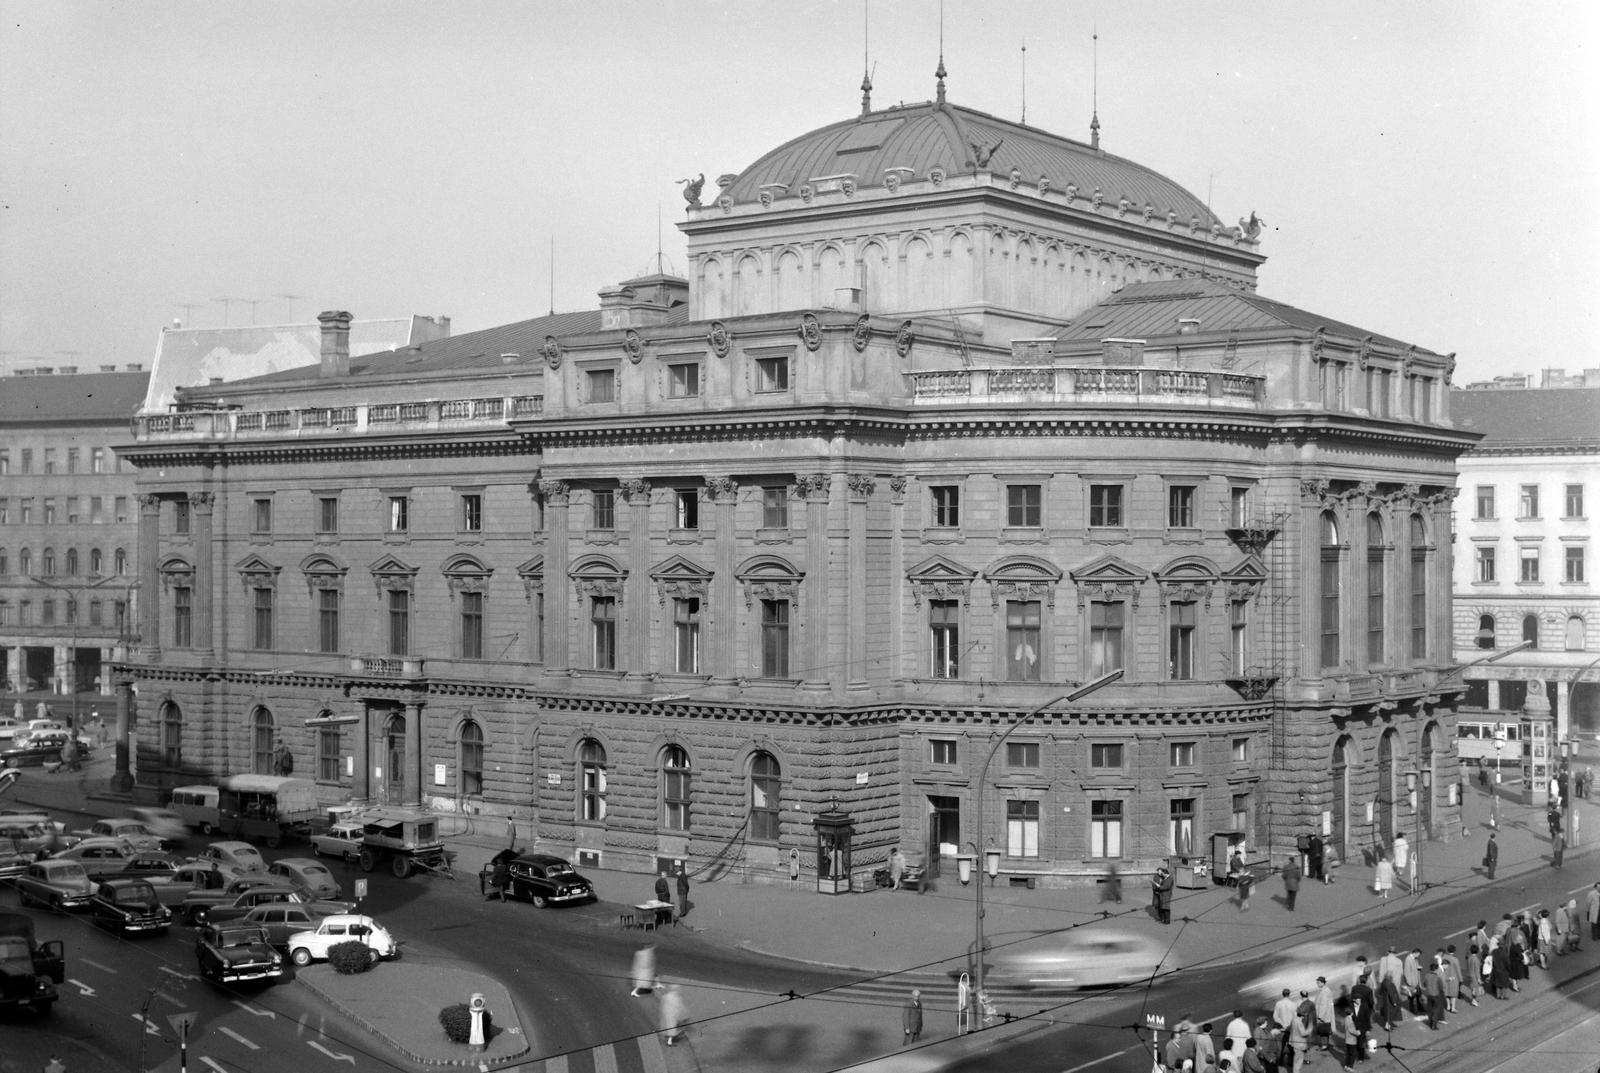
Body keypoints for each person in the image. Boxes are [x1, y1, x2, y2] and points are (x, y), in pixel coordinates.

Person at [1420, 959, 1445, 1029]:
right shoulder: (1437, 977)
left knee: (1430, 1009)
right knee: (1436, 1010)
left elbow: (1424, 984)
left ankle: (1430, 1021)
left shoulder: (1426, 976)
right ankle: (1434, 1025)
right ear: (1436, 969)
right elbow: (1441, 987)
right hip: (1436, 995)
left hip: (1429, 994)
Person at [1312, 978, 1334, 1052]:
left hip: (1324, 1015)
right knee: (1325, 1030)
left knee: (1322, 1030)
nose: (1317, 984)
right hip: (1327, 1015)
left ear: (1322, 983)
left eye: (1318, 982)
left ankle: (1324, 1046)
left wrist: (1320, 1017)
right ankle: (1326, 1044)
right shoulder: (1327, 990)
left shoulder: (1324, 992)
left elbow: (1323, 1005)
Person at [1464, 943, 1483, 1007]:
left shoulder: (1469, 957)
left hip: (1470, 974)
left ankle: (1474, 999)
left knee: (1473, 988)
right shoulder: (1476, 960)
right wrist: (1479, 978)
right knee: (1475, 989)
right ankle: (1473, 1000)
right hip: (1474, 976)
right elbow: (1477, 970)